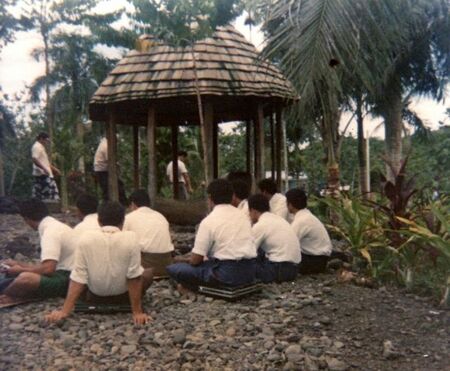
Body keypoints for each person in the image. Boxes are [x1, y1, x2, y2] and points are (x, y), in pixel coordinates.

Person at [45, 201, 153, 325]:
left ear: (99, 221)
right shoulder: (132, 238)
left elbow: (78, 277)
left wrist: (64, 311)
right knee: (148, 273)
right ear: (123, 221)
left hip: (95, 297)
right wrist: (137, 312)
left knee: (82, 273)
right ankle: (133, 302)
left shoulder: (85, 238)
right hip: (123, 296)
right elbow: (134, 277)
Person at [166, 179, 257, 294]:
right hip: (249, 271)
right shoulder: (244, 217)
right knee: (206, 264)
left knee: (174, 269)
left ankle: (190, 286)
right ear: (232, 196)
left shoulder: (208, 221)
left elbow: (195, 260)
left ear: (210, 198)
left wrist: (185, 260)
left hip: (226, 273)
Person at [0, 199, 76, 299]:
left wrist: (19, 270)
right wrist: (19, 265)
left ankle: (8, 295)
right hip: (65, 273)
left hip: (68, 279)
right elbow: (46, 266)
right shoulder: (55, 225)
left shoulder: (50, 232)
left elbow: (48, 269)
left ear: (26, 219)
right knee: (18, 275)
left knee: (25, 278)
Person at [248, 194, 300, 283]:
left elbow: (248, 250)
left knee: (244, 266)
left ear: (253, 210)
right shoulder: (278, 219)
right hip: (294, 269)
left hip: (278, 269)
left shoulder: (261, 225)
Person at [124, 189, 174, 277]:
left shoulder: (129, 218)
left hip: (146, 265)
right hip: (166, 263)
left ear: (133, 204)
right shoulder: (160, 216)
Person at [286, 188, 332, 274]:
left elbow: (289, 242)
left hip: (314, 260)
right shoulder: (306, 216)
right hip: (320, 257)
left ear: (290, 204)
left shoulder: (301, 221)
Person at [93, 137, 127, 205]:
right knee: (108, 190)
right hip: (102, 171)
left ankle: (121, 204)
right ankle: (110, 206)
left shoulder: (105, 143)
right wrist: (118, 165)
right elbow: (110, 159)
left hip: (103, 170)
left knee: (115, 186)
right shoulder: (106, 146)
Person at [31, 132, 60, 201]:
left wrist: (55, 169)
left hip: (44, 173)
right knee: (50, 194)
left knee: (42, 195)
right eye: (46, 140)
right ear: (41, 139)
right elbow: (35, 159)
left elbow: (45, 162)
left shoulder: (41, 147)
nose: (47, 142)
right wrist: (44, 169)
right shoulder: (37, 147)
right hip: (43, 174)